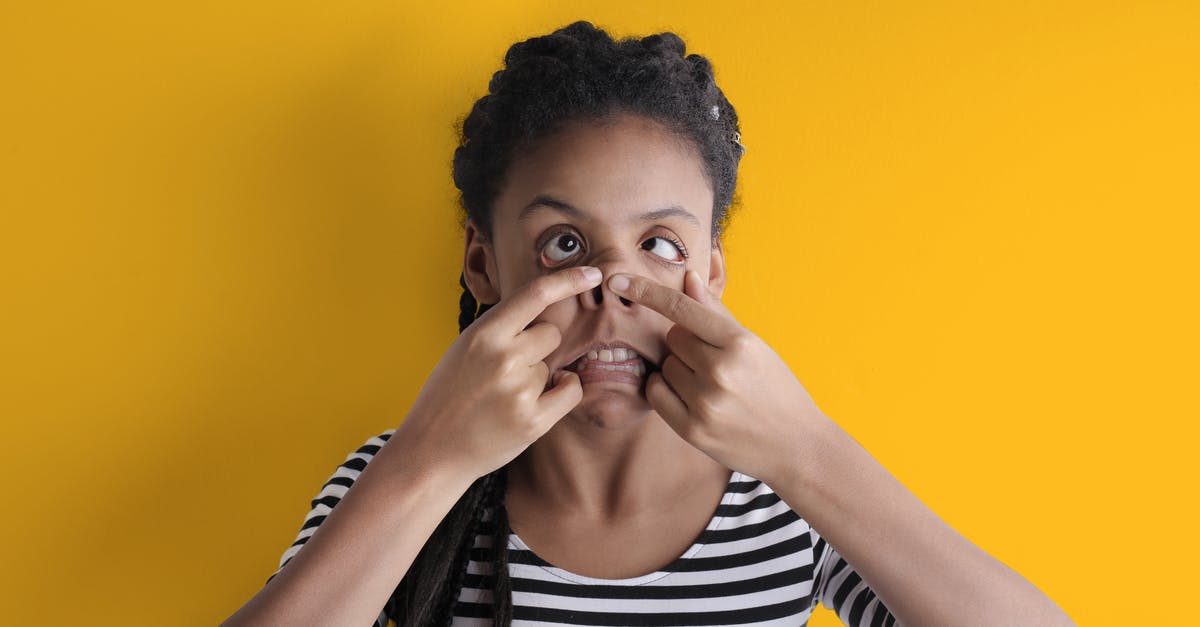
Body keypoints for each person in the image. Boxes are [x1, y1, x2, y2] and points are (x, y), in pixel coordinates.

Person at [223, 20, 1074, 627]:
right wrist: (427, 459)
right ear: (483, 264)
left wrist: (807, 448)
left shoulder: (789, 501)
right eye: (566, 243)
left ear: (709, 274)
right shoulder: (404, 481)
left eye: (659, 244)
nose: (614, 291)